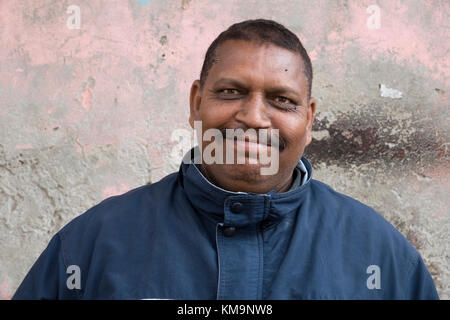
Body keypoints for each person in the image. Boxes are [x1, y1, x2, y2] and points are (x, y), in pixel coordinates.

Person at [13, 19, 439, 300]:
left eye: (281, 100)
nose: (253, 117)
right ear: (197, 102)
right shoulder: (93, 246)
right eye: (231, 92)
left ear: (308, 121)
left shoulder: (381, 257)